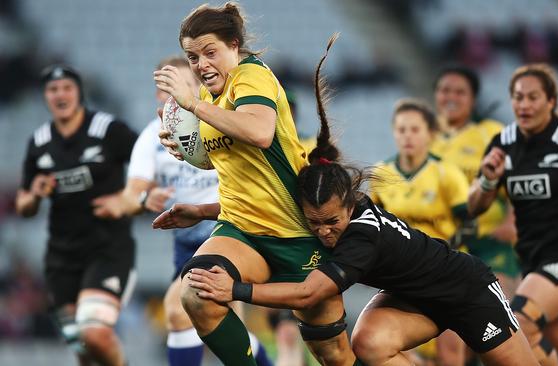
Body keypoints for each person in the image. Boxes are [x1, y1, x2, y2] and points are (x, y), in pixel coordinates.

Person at [184, 35, 538, 366]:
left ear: (350, 207)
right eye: (315, 223)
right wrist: (202, 211)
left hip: (465, 290)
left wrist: (237, 290)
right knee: (368, 343)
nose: (323, 232)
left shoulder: (361, 237)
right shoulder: (335, 205)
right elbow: (274, 202)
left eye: (331, 222)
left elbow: (307, 295)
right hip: (410, 298)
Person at [152, 4, 357, 365]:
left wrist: (192, 107)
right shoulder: (206, 97)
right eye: (192, 57)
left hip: (293, 232)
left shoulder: (251, 76)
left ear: (234, 45)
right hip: (241, 231)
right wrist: (185, 149)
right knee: (196, 292)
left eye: (209, 52)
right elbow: (224, 157)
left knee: (334, 356)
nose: (201, 64)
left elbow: (260, 132)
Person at [92, 55, 272, 366]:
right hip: (188, 244)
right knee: (228, 333)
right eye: (162, 89)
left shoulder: (219, 121)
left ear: (198, 90)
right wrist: (141, 200)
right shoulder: (151, 138)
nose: (168, 97)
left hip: (230, 232)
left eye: (177, 87)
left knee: (177, 311)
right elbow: (132, 195)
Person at [468, 63, 558, 366]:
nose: (524, 105)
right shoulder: (503, 143)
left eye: (533, 97)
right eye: (518, 97)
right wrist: (488, 179)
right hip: (531, 258)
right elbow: (475, 206)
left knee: (517, 324)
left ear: (551, 102)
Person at [15, 64, 138, 366]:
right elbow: (23, 205)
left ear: (79, 92)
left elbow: (148, 165)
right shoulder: (40, 141)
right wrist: (34, 195)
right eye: (53, 89)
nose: (61, 94)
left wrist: (127, 198)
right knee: (82, 349)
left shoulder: (108, 130)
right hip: (61, 257)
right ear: (45, 96)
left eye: (67, 88)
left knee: (94, 334)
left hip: (107, 249)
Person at [369, 98, 470, 365]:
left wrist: (444, 256)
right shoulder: (381, 173)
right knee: (393, 347)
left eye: (415, 129)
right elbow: (374, 226)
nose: (407, 136)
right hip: (401, 275)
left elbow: (469, 224)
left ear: (430, 134)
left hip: (446, 273)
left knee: (449, 353)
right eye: (401, 130)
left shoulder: (447, 173)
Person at [430, 65, 519, 365]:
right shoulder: (426, 137)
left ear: (473, 98)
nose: (450, 97)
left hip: (491, 243)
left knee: (497, 337)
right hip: (448, 248)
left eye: (459, 91)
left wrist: (512, 221)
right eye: (444, 90)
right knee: (450, 343)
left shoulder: (491, 133)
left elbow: (517, 181)